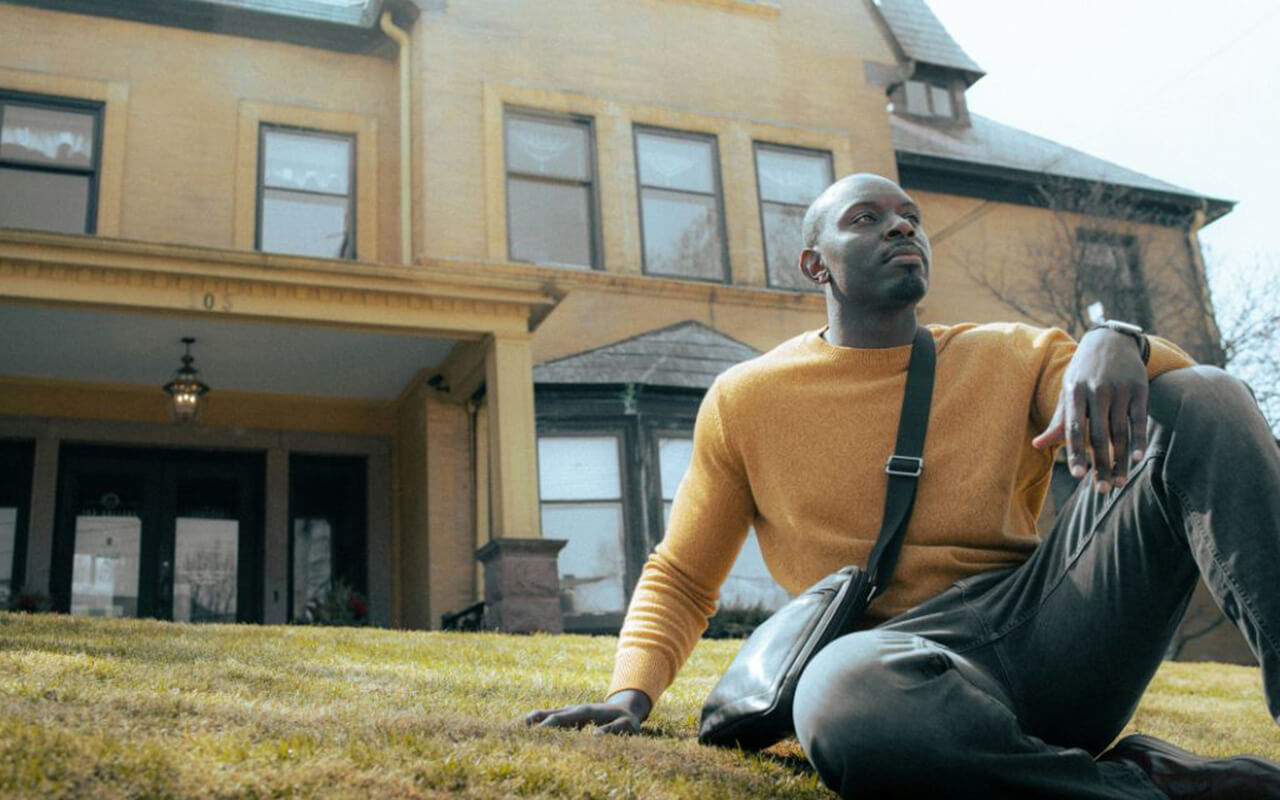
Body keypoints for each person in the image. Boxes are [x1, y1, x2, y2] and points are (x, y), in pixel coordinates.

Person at [524, 173, 1280, 799]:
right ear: (815, 266)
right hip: (897, 664)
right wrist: (631, 694)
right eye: (867, 218)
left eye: (911, 219)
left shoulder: (1008, 354)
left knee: (1208, 391)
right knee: (843, 696)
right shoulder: (746, 399)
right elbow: (683, 576)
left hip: (1050, 624)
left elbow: (1200, 423)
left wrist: (1120, 340)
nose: (901, 229)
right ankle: (1154, 786)